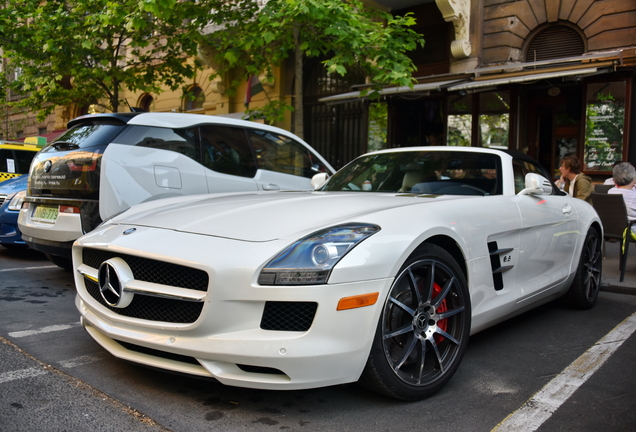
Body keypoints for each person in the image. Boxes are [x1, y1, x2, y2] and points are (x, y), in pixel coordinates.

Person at [608, 162, 636, 239]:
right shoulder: (633, 195)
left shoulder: (610, 191)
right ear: (633, 178)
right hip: (631, 229)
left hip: (614, 228)